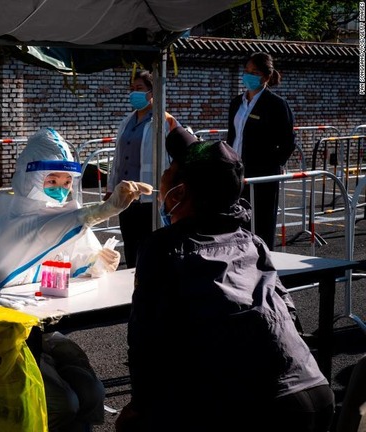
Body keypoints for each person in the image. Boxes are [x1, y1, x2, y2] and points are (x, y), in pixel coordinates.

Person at [116, 127, 334, 432]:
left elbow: (146, 339)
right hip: (312, 387)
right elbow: (289, 313)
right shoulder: (251, 241)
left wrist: (138, 406)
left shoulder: (165, 247)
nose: (162, 176)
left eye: (169, 169)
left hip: (257, 405)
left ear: (180, 192)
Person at [0, 128, 152, 431]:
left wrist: (95, 263)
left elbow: (64, 263)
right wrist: (104, 209)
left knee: (91, 392)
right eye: (52, 180)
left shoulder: (60, 214)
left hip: (39, 322)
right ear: (29, 178)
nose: (61, 188)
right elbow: (42, 231)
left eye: (67, 182)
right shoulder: (5, 214)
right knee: (63, 402)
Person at [107, 69, 180, 268]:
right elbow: (118, 158)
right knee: (130, 245)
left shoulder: (165, 121)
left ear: (152, 92)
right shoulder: (127, 121)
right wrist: (111, 188)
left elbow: (177, 155)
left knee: (151, 246)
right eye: (132, 89)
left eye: (139, 88)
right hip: (126, 195)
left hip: (151, 195)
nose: (134, 93)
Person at [227, 52, 295, 251]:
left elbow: (287, 142)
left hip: (262, 175)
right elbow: (233, 135)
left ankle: (264, 265)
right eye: (247, 71)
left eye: (254, 72)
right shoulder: (236, 103)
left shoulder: (276, 105)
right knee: (236, 220)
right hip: (236, 173)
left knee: (261, 224)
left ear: (265, 76)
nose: (248, 76)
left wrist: (273, 164)